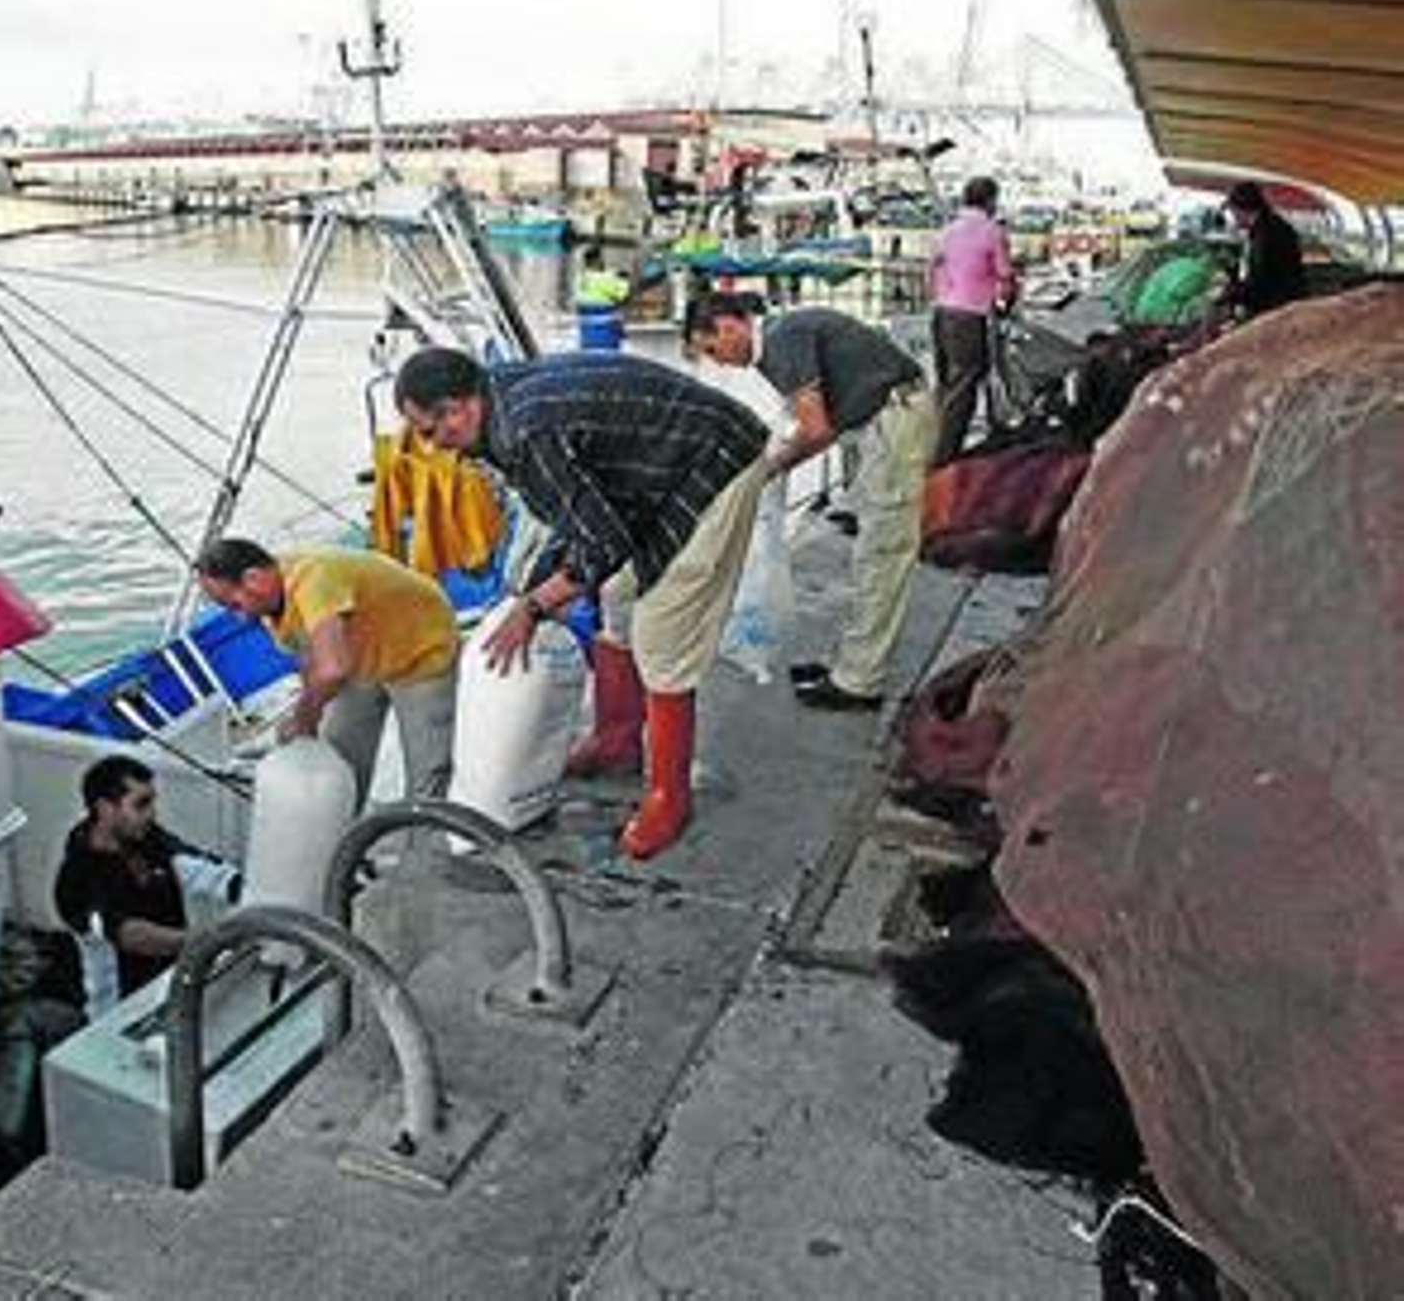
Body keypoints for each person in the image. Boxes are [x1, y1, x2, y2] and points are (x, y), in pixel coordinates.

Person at [393, 347, 769, 861]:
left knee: (663, 630)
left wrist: (534, 607)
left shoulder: (525, 433)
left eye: (433, 432)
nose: (441, 448)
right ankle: (616, 740)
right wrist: (531, 592)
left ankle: (668, 797)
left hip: (717, 461)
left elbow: (603, 545)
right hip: (658, 467)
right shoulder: (500, 400)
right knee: (616, 594)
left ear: (458, 408)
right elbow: (580, 519)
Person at [685, 293, 936, 711]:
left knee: (882, 554)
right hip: (887, 418)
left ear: (730, 326)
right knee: (870, 554)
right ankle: (851, 663)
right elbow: (819, 420)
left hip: (895, 424)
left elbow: (817, 429)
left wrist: (770, 470)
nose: (719, 362)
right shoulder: (786, 335)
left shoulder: (782, 341)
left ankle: (860, 681)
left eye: (713, 350)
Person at [195, 538, 459, 805]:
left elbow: (333, 669)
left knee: (428, 770)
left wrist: (304, 718)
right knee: (340, 759)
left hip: (420, 649)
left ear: (253, 579)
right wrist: (306, 715)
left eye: (235, 605)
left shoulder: (315, 578)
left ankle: (427, 840)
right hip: (362, 656)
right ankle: (342, 833)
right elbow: (313, 661)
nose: (241, 618)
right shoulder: (272, 602)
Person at [53, 754, 241, 1008]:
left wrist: (249, 889)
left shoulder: (147, 837)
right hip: (120, 1012)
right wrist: (206, 941)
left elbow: (199, 869)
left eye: (152, 802)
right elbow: (130, 934)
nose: (152, 813)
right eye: (141, 804)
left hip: (174, 988)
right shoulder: (76, 879)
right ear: (105, 808)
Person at [927, 176, 1018, 465]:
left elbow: (931, 270)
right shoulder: (993, 232)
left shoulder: (946, 231)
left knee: (945, 386)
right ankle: (943, 460)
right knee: (965, 386)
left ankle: (933, 448)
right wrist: (1006, 301)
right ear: (990, 200)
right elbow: (1005, 278)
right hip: (970, 316)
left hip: (941, 313)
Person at [1219, 180, 1306, 321]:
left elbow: (1260, 284)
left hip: (1277, 311)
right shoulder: (1269, 226)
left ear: (1241, 209)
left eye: (1232, 211)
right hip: (1283, 305)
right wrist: (1232, 274)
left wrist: (1229, 294)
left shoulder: (1265, 235)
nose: (1233, 218)